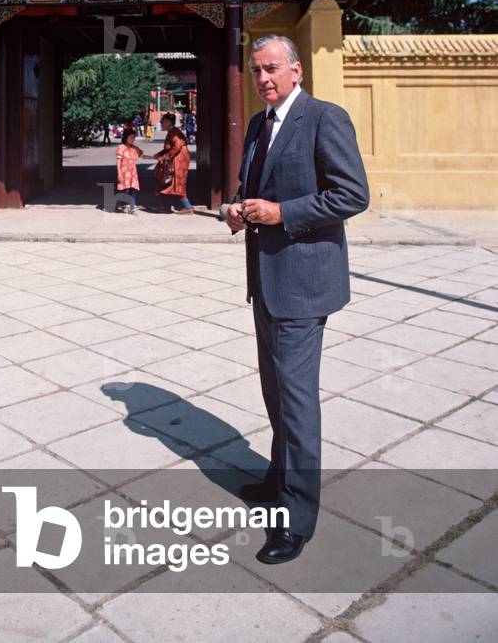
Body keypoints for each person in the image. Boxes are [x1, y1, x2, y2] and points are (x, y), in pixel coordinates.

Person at [225, 35, 369, 565]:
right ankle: (279, 476)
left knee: (298, 399)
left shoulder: (325, 118)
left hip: (305, 283)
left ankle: (296, 517)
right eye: (256, 70)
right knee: (275, 390)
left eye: (271, 69)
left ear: (296, 70)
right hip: (265, 280)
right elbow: (251, 188)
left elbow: (353, 193)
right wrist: (238, 210)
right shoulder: (260, 125)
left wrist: (283, 212)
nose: (262, 78)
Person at [154, 113, 193, 214]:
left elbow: (177, 146)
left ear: (168, 122)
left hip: (179, 158)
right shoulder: (172, 131)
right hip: (175, 156)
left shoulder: (174, 132)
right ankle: (165, 206)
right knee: (167, 180)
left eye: (163, 121)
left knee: (177, 182)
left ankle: (188, 207)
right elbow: (169, 147)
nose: (161, 123)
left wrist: (165, 157)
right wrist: (159, 154)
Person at [115, 128, 150, 214]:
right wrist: (119, 173)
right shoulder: (121, 148)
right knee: (125, 190)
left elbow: (143, 156)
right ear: (126, 137)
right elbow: (118, 162)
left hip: (133, 173)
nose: (132, 139)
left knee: (133, 190)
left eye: (133, 137)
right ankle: (123, 205)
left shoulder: (135, 148)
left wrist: (155, 157)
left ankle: (132, 208)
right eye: (131, 137)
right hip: (124, 173)